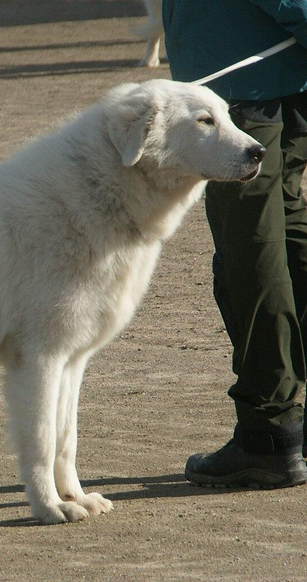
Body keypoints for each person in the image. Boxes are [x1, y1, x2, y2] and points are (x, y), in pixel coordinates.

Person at [163, 0, 307, 488]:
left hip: (237, 74)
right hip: (280, 64)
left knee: (253, 252)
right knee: (288, 234)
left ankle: (270, 432)